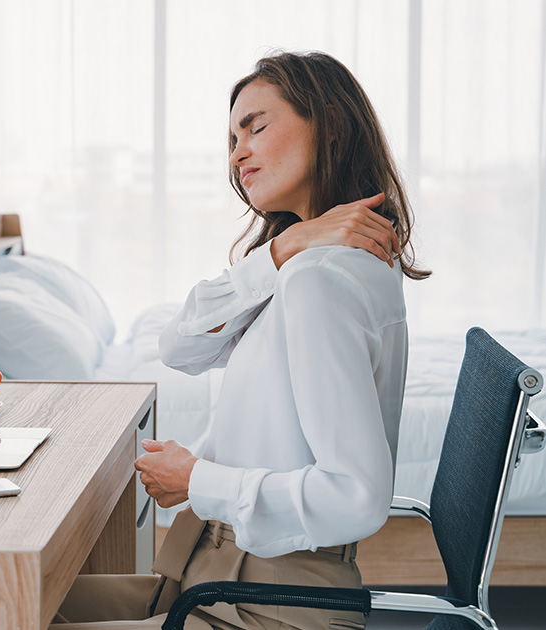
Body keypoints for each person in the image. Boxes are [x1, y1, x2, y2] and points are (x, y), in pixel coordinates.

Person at [49, 51, 430, 630]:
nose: (238, 153)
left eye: (256, 126)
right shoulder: (301, 265)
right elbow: (180, 346)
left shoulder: (320, 279)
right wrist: (285, 245)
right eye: (232, 137)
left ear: (329, 123)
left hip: (269, 604)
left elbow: (357, 496)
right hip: (216, 575)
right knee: (4, 602)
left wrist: (197, 479)